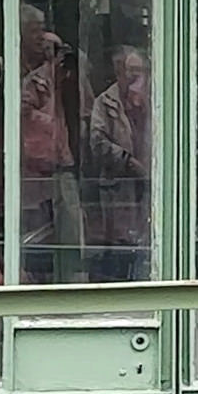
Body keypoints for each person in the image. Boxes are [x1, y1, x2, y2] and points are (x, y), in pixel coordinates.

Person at [83, 44, 152, 277]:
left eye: (138, 70)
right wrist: (128, 161)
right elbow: (97, 143)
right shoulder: (105, 102)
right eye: (128, 69)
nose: (132, 75)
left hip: (147, 186)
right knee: (117, 251)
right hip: (118, 188)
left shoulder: (154, 100)